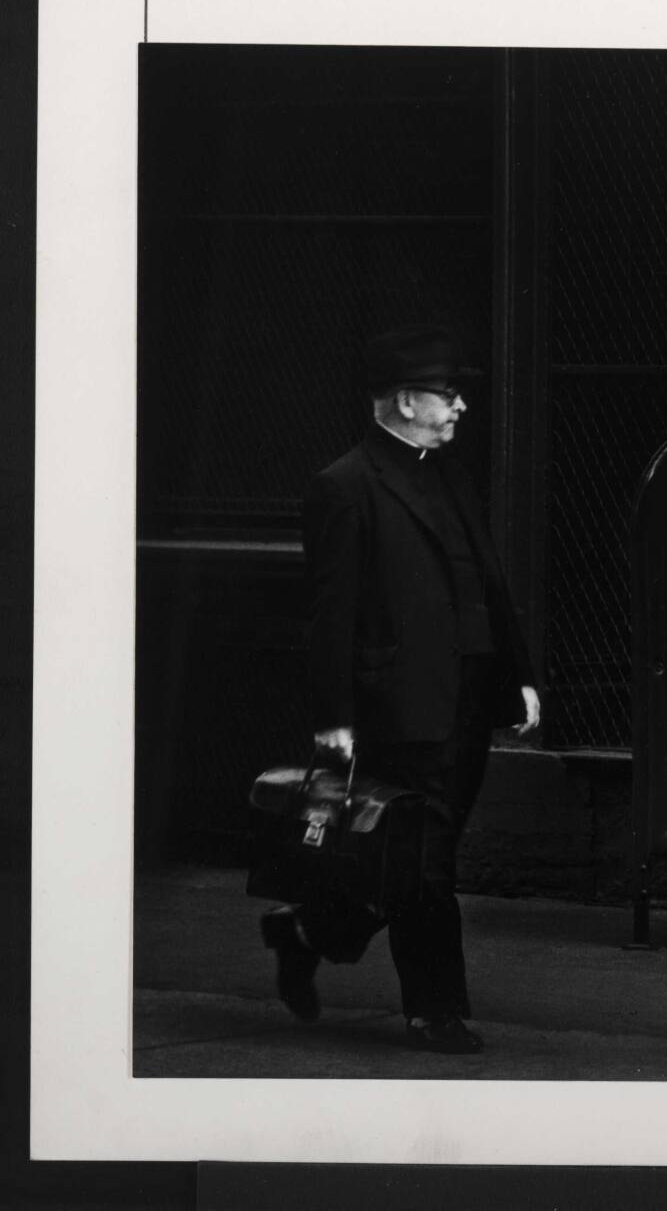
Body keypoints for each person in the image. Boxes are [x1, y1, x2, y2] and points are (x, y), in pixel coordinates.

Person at [261, 324, 541, 1053]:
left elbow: (489, 584)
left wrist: (519, 677)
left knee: (413, 861)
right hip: (401, 706)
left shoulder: (450, 475)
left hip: (468, 701)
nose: (460, 408)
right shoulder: (345, 485)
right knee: (425, 863)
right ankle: (433, 1010)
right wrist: (333, 715)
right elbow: (331, 613)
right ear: (405, 401)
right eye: (448, 395)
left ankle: (306, 931)